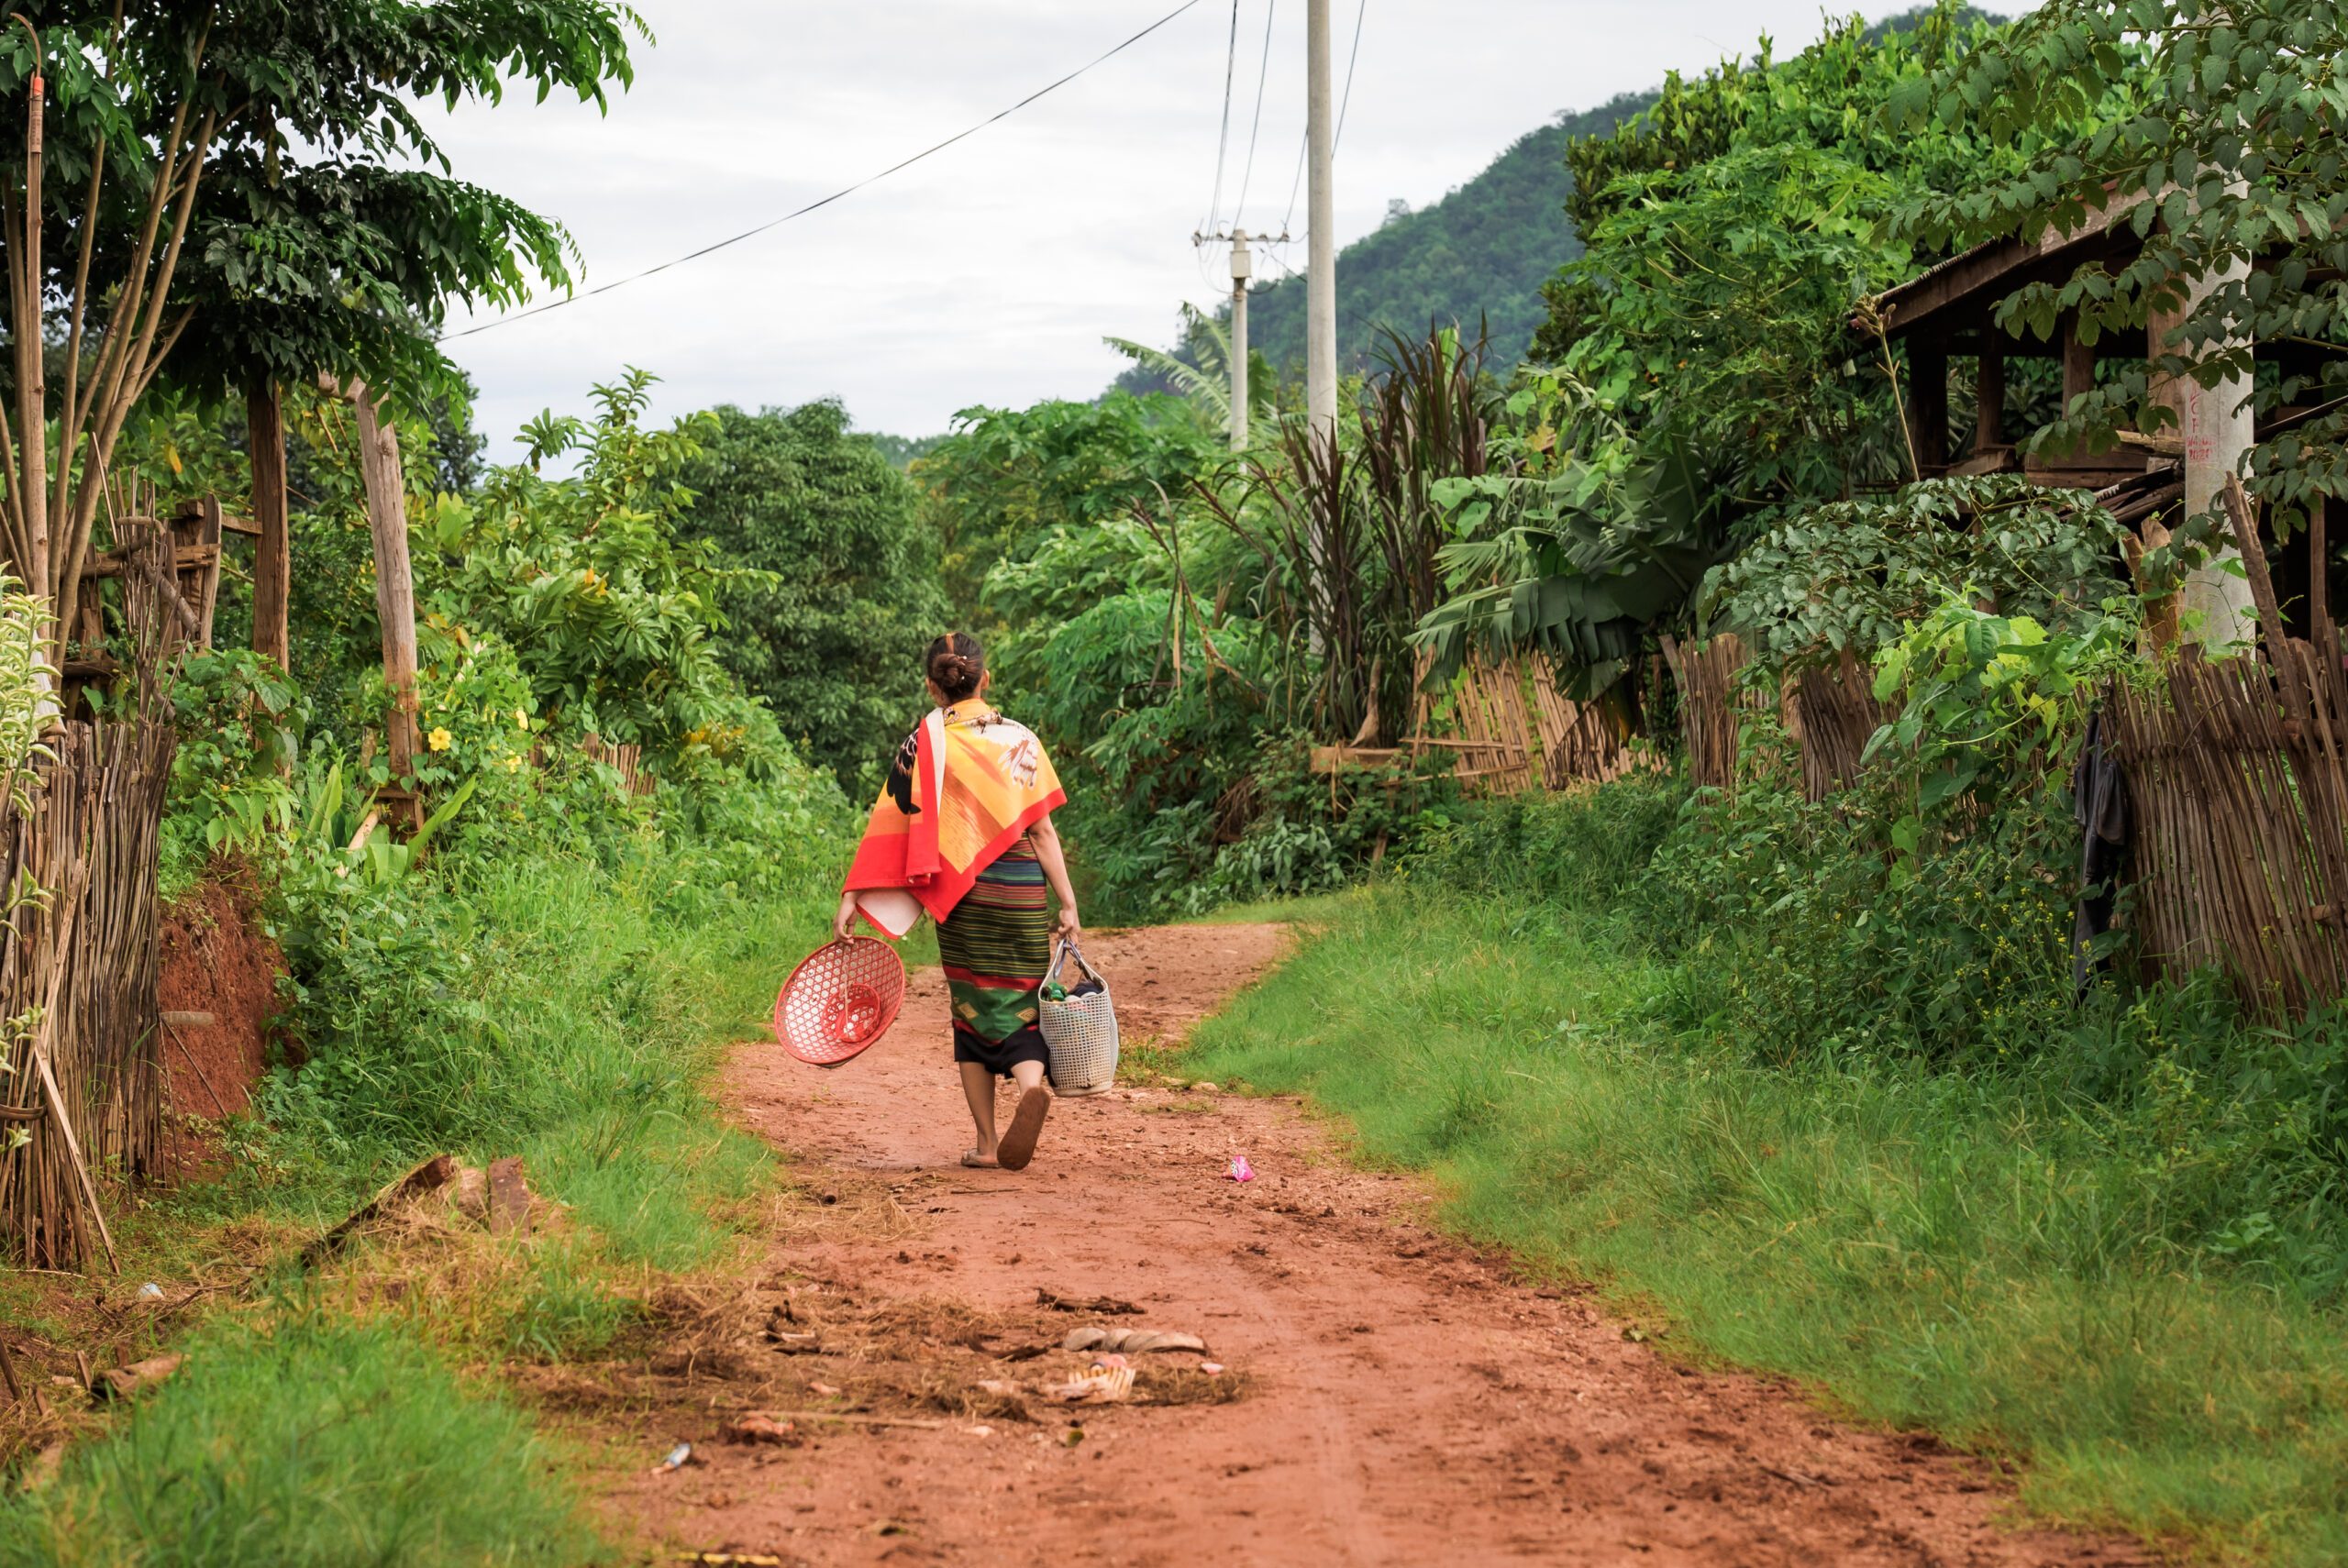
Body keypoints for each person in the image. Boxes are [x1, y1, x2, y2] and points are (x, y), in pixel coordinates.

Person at [834, 633, 1080, 1171]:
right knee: (1022, 1001)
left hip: (963, 897)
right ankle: (1032, 1084)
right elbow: (1042, 833)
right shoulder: (1019, 740)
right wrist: (1067, 904)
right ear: (984, 680)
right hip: (1018, 890)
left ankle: (988, 1144)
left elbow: (891, 823)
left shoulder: (923, 743)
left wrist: (853, 894)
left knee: (971, 1010)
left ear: (932, 685)